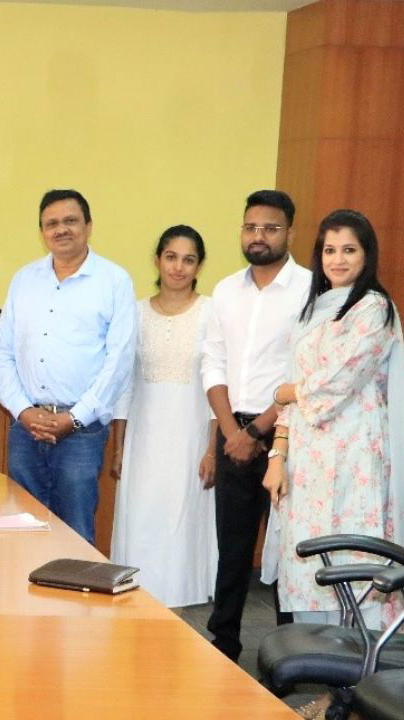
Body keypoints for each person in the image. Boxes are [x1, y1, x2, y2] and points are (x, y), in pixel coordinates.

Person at [264, 209, 402, 627]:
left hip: (355, 456)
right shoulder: (312, 312)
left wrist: (285, 391)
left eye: (349, 250)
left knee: (352, 558)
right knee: (307, 558)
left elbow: (335, 383)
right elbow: (293, 387)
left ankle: (356, 679)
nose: (337, 259)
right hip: (307, 462)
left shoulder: (374, 310)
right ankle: (325, 680)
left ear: (367, 256)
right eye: (329, 250)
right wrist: (277, 455)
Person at [201, 189, 310, 662]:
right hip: (234, 434)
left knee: (288, 550)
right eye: (251, 227)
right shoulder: (226, 290)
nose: (258, 236)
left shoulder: (311, 289)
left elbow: (304, 373)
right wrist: (230, 433)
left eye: (270, 228)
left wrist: (258, 431)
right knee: (233, 547)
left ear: (290, 231)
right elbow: (213, 364)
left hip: (288, 435)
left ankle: (292, 653)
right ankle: (223, 643)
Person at [0, 189, 136, 544]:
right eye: (51, 224)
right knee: (23, 530)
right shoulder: (23, 280)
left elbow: (119, 361)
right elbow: (3, 352)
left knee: (74, 532)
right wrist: (23, 411)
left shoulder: (114, 281)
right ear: (42, 232)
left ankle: (76, 601)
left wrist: (75, 418)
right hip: (27, 428)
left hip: (81, 432)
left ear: (88, 226)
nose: (61, 230)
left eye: (70, 221)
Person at [110, 225, 217, 608]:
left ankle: (183, 597)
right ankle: (137, 592)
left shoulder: (211, 312)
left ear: (199, 266)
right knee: (141, 515)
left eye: (189, 260)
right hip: (144, 433)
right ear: (158, 259)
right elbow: (124, 384)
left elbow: (219, 384)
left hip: (191, 433)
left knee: (183, 516)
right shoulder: (135, 313)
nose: (178, 267)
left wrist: (212, 448)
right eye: (171, 257)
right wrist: (120, 445)